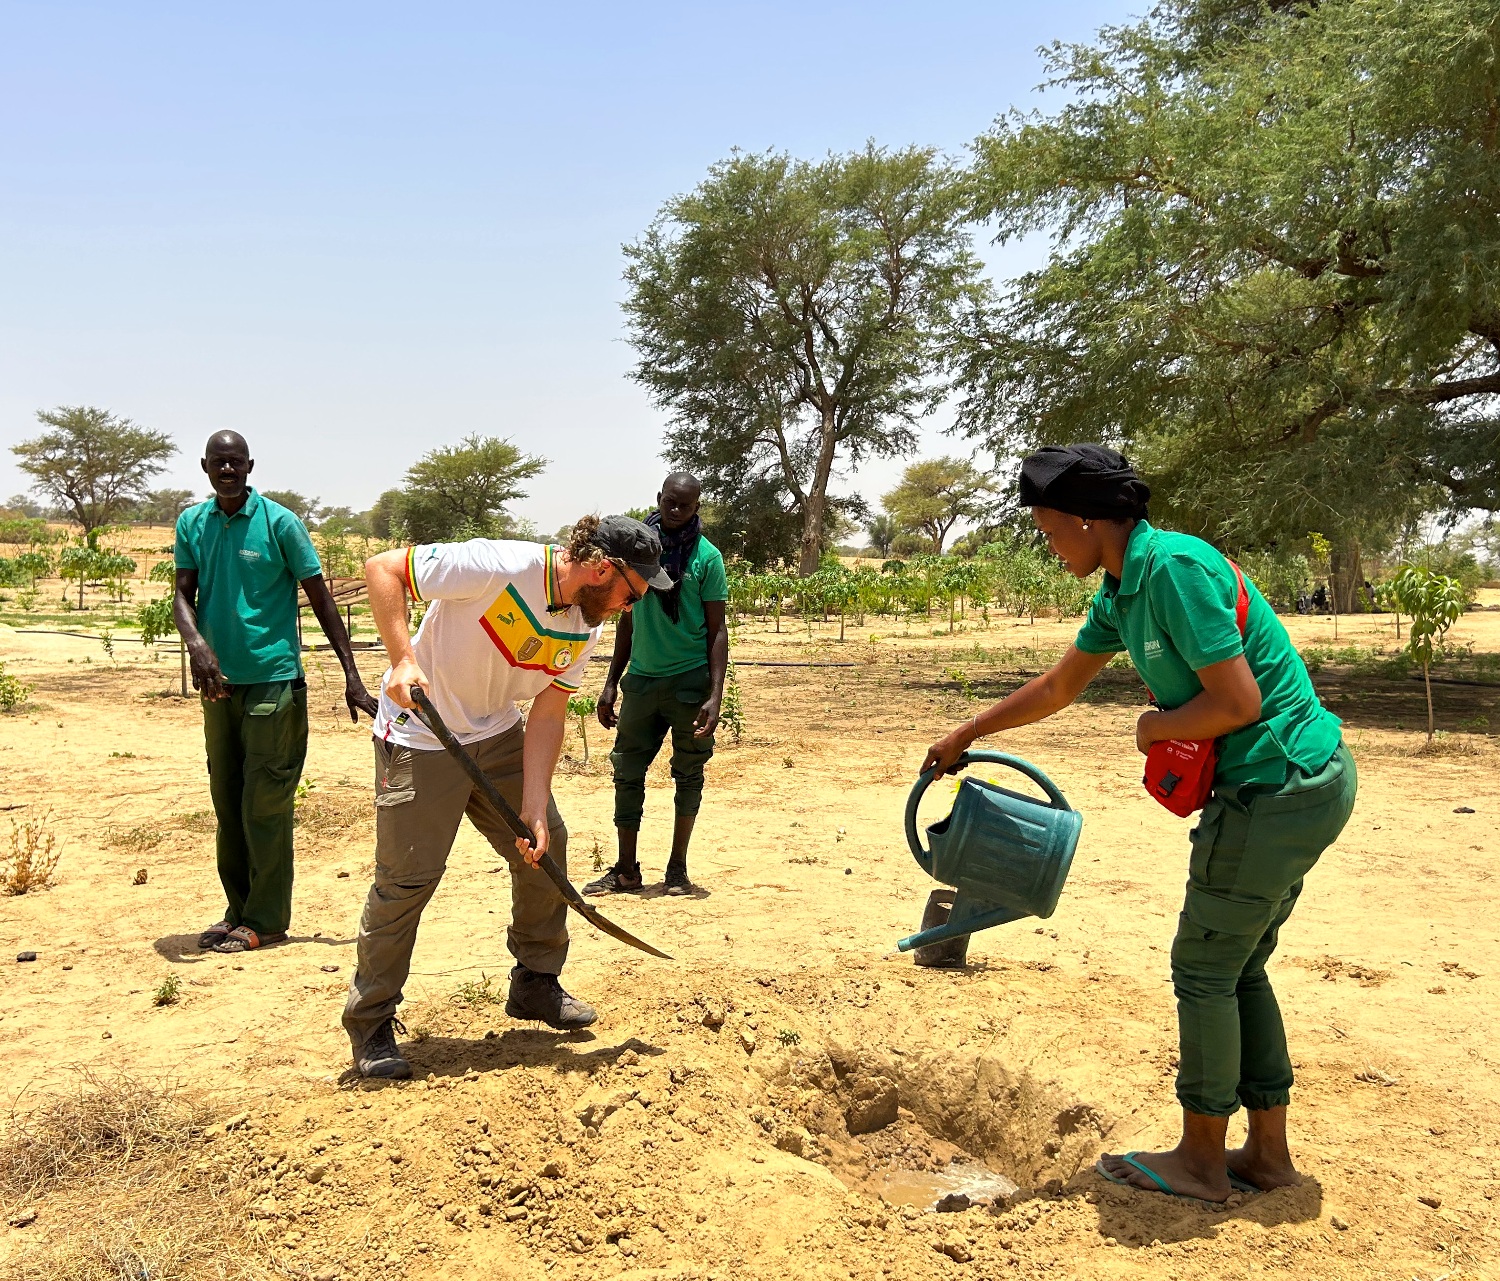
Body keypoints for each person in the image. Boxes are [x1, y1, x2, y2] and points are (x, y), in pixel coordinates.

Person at [923, 444, 1356, 1203]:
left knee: (1203, 966)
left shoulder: (1174, 570)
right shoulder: (1122, 590)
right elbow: (1061, 684)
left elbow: (1237, 703)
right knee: (1238, 964)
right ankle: (1267, 1156)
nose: (1049, 546)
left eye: (1052, 530)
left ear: (1092, 520)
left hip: (1276, 781)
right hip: (1295, 783)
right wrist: (970, 731)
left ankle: (1200, 1158)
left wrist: (1154, 728)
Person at [342, 515, 671, 1080]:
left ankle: (535, 983)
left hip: (495, 736)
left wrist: (535, 804)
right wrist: (403, 658)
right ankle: (372, 1023)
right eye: (630, 592)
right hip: (421, 733)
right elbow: (383, 569)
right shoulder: (499, 565)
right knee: (407, 879)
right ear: (601, 568)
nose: (630, 606)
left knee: (547, 846)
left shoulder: (584, 628)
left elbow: (547, 711)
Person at [174, 431, 377, 955]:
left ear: (249, 466)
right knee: (227, 801)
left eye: (235, 463)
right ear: (205, 466)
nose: (227, 471)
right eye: (218, 463)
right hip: (218, 686)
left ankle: (266, 919)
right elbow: (181, 595)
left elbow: (322, 600)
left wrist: (352, 676)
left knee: (264, 803)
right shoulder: (192, 523)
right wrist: (198, 646)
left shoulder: (280, 523)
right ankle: (236, 911)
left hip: (273, 682)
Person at [585, 473, 728, 898]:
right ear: (659, 498)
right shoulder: (638, 551)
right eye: (670, 502)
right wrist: (611, 683)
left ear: (696, 507)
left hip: (689, 683)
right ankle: (626, 871)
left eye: (685, 505)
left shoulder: (707, 558)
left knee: (688, 774)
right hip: (642, 683)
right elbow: (626, 619)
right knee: (626, 772)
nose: (676, 510)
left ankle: (678, 872)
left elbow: (717, 631)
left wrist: (715, 694)